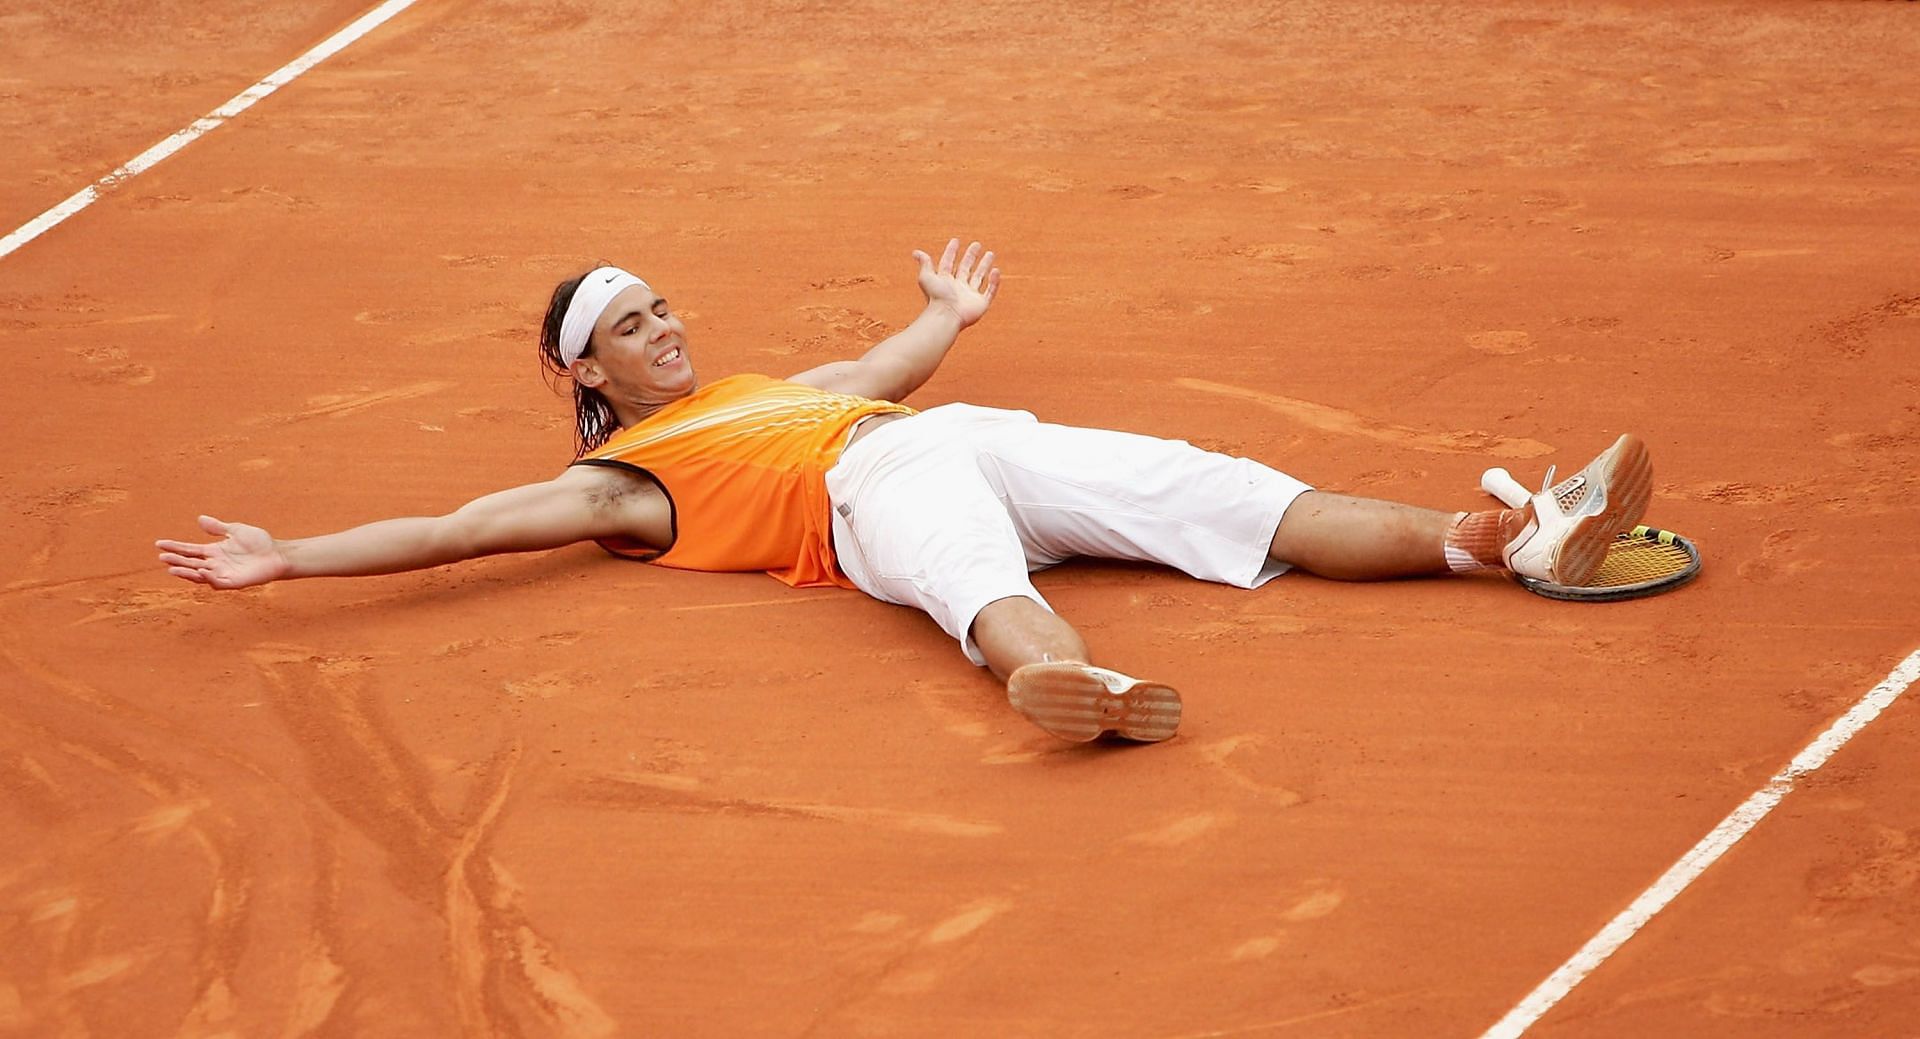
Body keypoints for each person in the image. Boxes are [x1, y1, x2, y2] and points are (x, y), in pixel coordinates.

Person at [157, 239, 1651, 744]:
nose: (668, 324)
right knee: (977, 591)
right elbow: (459, 532)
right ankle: (1083, 688)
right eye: (633, 323)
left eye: (666, 303)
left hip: (966, 433)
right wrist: (287, 557)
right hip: (867, 507)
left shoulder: (752, 396)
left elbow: (889, 364)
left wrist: (946, 320)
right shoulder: (620, 483)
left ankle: (1506, 545)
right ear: (589, 375)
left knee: (1223, 493)